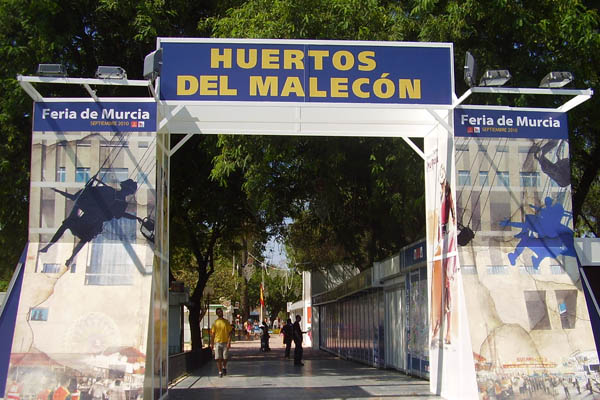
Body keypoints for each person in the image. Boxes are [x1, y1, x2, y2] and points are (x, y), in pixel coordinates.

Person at [40, 177, 143, 267]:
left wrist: (136, 218)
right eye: (126, 189)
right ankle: (49, 246)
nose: (125, 191)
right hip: (88, 217)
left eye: (128, 191)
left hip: (96, 223)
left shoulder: (121, 203)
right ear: (124, 187)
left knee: (85, 238)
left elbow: (119, 215)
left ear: (129, 192)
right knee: (67, 224)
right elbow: (91, 192)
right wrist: (89, 186)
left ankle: (71, 257)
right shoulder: (109, 191)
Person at [210, 307, 232, 377]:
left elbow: (230, 333)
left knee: (225, 357)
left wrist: (229, 342)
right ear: (217, 314)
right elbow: (213, 334)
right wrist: (212, 344)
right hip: (217, 342)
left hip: (225, 342)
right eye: (219, 312)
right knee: (218, 358)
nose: (220, 313)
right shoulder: (215, 323)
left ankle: (224, 367)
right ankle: (220, 371)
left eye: (221, 311)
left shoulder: (226, 322)